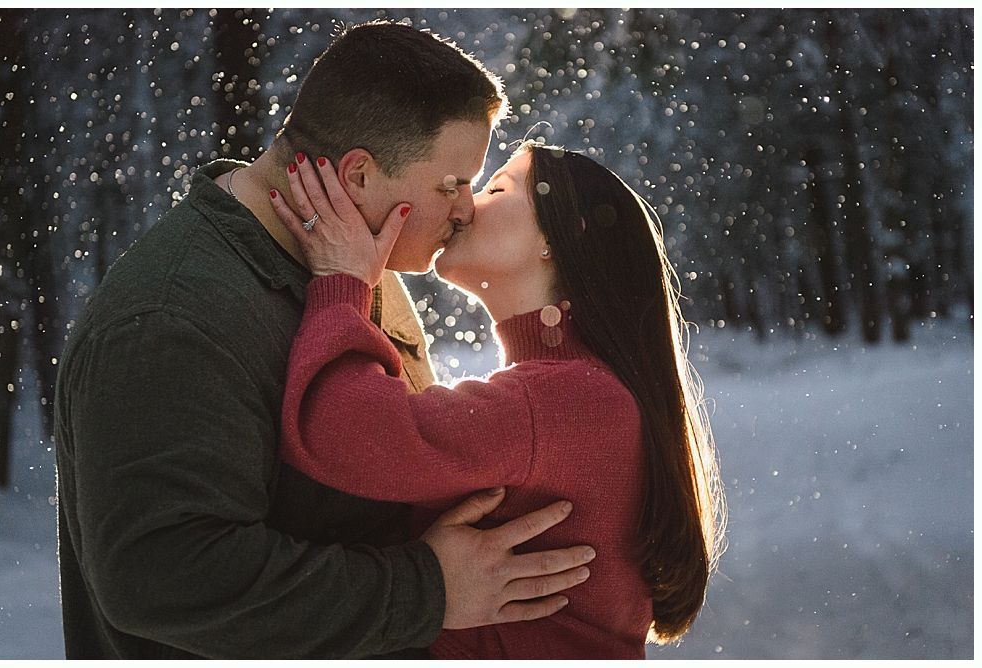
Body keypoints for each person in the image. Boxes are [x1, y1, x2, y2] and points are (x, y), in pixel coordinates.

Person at [53, 21, 597, 660]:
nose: (466, 209)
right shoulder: (171, 320)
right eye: (450, 184)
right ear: (360, 176)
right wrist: (427, 589)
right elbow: (162, 576)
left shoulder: (358, 265)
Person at [269, 140, 727, 659]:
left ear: (558, 235)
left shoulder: (567, 399)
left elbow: (345, 434)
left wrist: (343, 282)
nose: (464, 205)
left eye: (495, 188)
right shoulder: (581, 392)